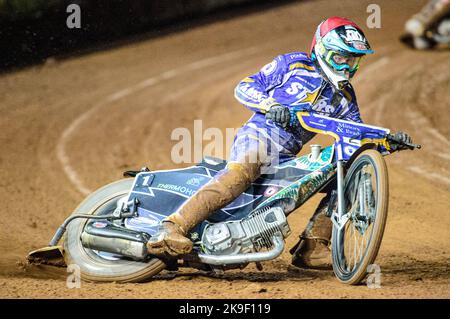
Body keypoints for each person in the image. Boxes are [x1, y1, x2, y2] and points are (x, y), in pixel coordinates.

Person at [146, 17, 412, 269]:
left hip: (287, 158)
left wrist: (387, 143)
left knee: (347, 174)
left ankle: (312, 246)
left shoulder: (345, 98)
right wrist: (270, 104)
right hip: (260, 136)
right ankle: (172, 227)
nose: (346, 67)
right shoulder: (294, 64)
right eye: (340, 58)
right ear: (321, 51)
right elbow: (246, 85)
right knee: (245, 167)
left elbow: (356, 135)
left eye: (352, 61)